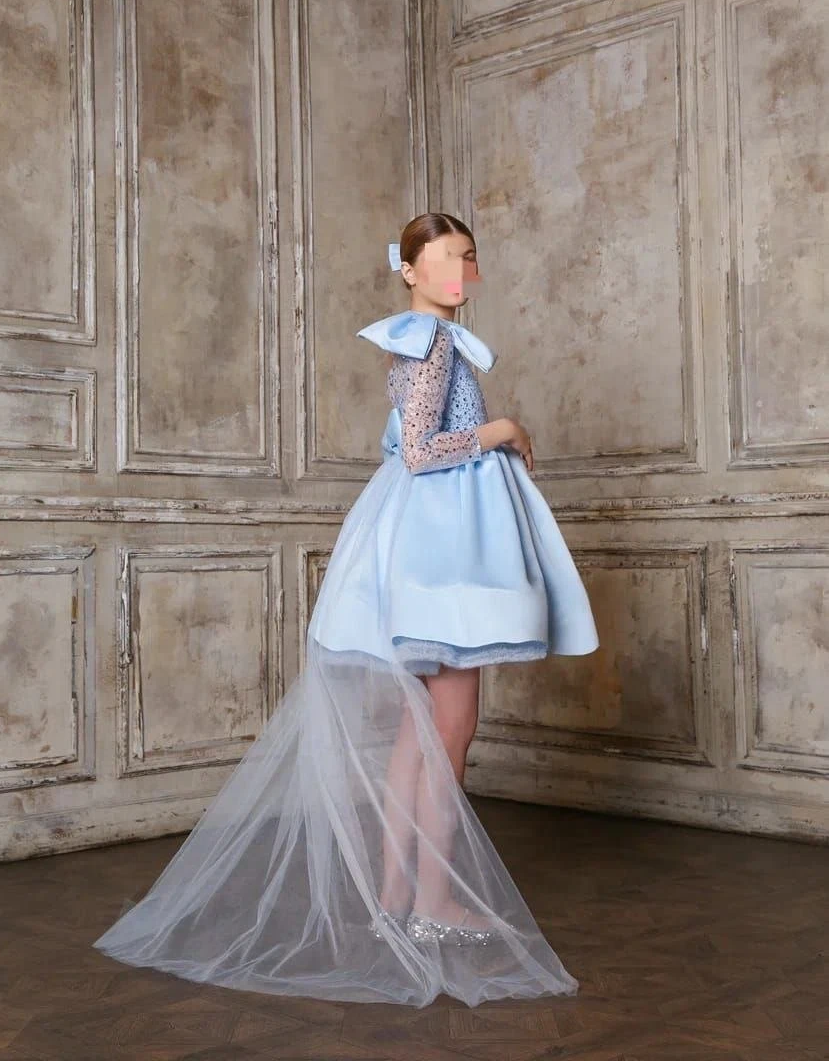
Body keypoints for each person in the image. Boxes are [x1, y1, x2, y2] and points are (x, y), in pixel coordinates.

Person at [93, 212, 600, 1008]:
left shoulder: (420, 341)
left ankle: (396, 893)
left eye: (470, 258)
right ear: (410, 270)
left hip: (424, 538)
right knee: (449, 728)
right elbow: (422, 451)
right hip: (444, 548)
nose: (462, 273)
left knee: (417, 733)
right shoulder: (432, 345)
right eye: (447, 260)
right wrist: (502, 428)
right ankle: (432, 899)